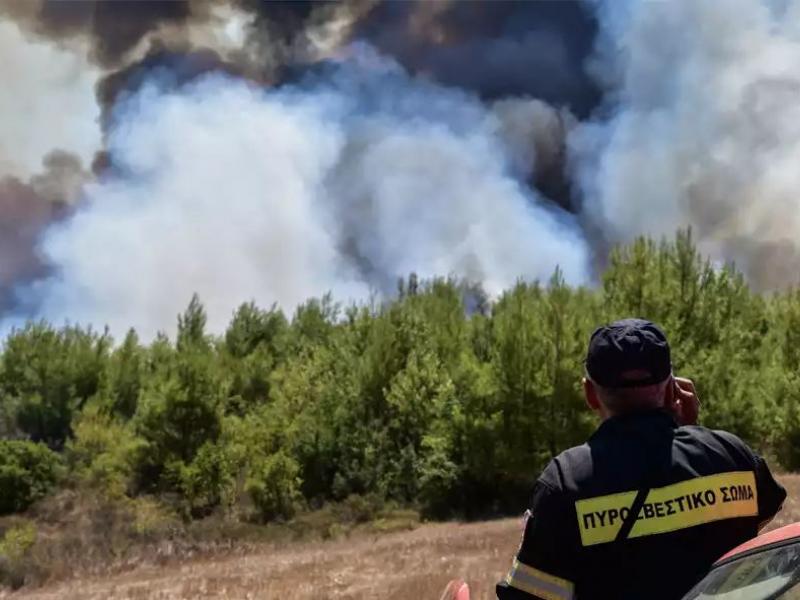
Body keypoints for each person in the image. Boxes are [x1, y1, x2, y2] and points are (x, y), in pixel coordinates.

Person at [496, 318, 787, 600]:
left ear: (590, 394)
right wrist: (693, 436)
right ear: (673, 387)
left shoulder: (565, 483)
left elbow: (530, 594)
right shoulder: (731, 454)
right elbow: (759, 527)